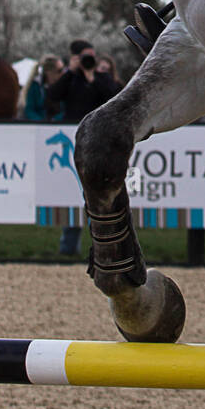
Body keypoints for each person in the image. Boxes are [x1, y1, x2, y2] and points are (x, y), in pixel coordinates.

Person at [46, 40, 120, 255]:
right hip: (76, 144)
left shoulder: (102, 79)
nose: (90, 61)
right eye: (86, 57)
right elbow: (52, 95)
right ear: (76, 58)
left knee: (98, 197)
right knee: (72, 196)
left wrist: (91, 78)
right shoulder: (70, 79)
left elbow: (113, 97)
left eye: (92, 56)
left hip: (99, 143)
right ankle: (68, 248)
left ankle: (103, 249)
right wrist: (70, 71)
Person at [23, 55, 65, 122]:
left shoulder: (65, 85)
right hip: (38, 127)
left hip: (61, 126)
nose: (63, 73)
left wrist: (55, 120)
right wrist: (41, 123)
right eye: (59, 71)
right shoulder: (35, 86)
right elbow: (29, 109)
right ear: (49, 72)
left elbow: (67, 109)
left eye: (64, 69)